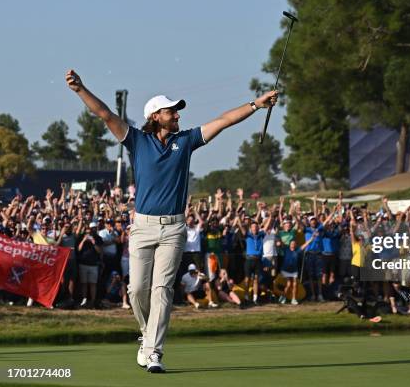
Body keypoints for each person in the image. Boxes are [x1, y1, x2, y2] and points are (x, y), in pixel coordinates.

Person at [66, 69, 277, 373]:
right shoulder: (137, 141)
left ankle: (154, 352)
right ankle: (147, 336)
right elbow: (104, 114)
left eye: (176, 110)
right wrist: (80, 89)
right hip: (142, 227)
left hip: (174, 228)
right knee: (137, 289)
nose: (176, 114)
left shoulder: (187, 140)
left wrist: (256, 104)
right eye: (171, 110)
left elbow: (224, 120)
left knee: (162, 289)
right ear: (154, 116)